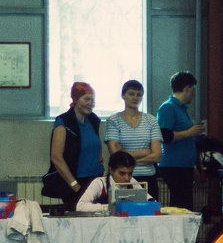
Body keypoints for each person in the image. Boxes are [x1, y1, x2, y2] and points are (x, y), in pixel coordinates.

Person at [43, 82, 104, 210]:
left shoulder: (93, 120)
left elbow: (94, 143)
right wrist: (74, 185)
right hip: (76, 182)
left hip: (95, 181)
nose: (90, 103)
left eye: (92, 99)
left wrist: (98, 155)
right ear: (75, 99)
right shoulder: (63, 122)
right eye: (86, 99)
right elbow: (56, 158)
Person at [104, 79, 163, 200]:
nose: (135, 97)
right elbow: (116, 156)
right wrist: (146, 151)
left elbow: (157, 156)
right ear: (123, 95)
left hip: (148, 178)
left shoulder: (151, 120)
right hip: (123, 181)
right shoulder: (113, 120)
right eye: (131, 94)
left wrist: (127, 155)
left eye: (139, 94)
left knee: (149, 215)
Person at [156, 70, 205, 208]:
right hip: (173, 166)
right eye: (193, 89)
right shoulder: (168, 108)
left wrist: (193, 165)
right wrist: (189, 132)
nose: (194, 93)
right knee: (181, 205)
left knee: (185, 204)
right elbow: (164, 136)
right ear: (187, 88)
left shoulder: (182, 109)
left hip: (184, 166)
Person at [76, 150, 146, 212]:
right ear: (111, 170)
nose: (127, 178)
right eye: (122, 173)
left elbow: (150, 201)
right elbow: (80, 206)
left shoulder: (132, 181)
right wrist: (110, 207)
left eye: (130, 173)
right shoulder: (99, 183)